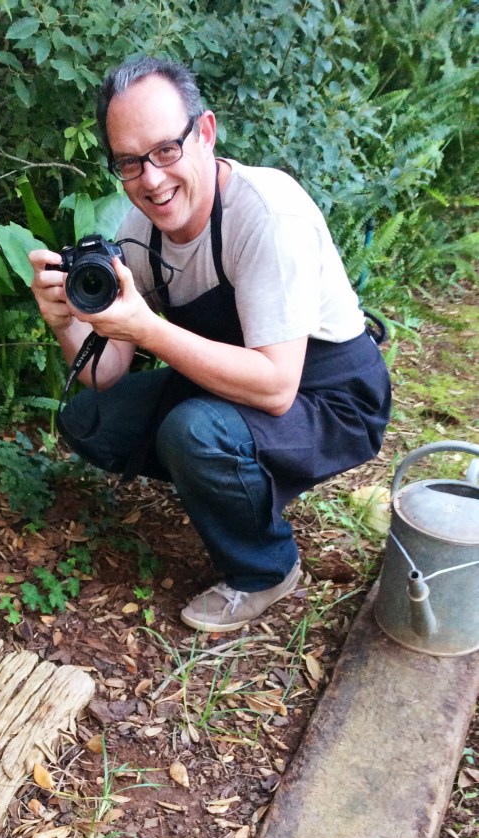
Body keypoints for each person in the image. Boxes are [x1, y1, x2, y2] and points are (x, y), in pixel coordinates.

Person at [28, 55, 391, 632]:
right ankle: (234, 479)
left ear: (205, 132)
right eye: (130, 162)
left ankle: (265, 569)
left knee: (194, 432)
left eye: (166, 149)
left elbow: (276, 387)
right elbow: (106, 373)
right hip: (227, 382)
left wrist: (148, 328)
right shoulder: (138, 232)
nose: (151, 179)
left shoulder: (268, 214)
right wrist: (64, 320)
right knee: (90, 417)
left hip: (328, 397)